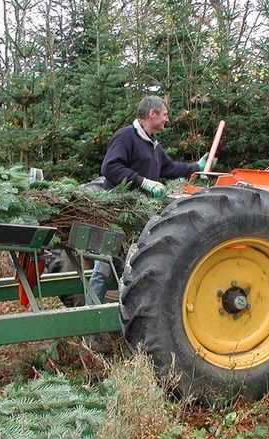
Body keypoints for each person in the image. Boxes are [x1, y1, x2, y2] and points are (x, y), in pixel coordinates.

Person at [88, 95, 209, 306]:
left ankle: (123, 313)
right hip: (118, 212)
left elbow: (169, 168)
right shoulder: (126, 137)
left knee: (131, 267)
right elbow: (110, 167)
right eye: (164, 115)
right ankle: (87, 325)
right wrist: (143, 182)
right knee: (103, 269)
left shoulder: (152, 144)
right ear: (151, 114)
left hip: (139, 214)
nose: (166, 120)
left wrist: (196, 167)